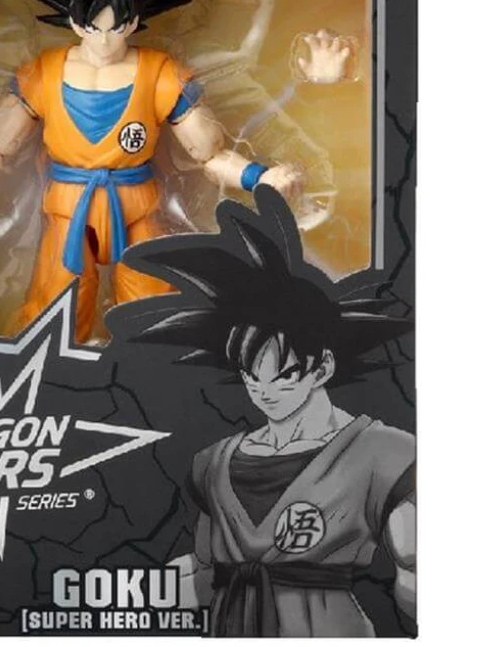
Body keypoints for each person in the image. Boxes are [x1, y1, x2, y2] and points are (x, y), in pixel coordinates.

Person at [0, 0, 305, 342]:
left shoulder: (159, 72)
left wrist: (260, 177)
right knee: (53, 313)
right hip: (68, 211)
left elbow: (208, 153)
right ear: (75, 22)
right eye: (93, 27)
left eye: (116, 27)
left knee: (155, 314)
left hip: (136, 208)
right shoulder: (44, 73)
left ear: (133, 21)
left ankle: (151, 374)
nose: (104, 40)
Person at [124, 186, 415, 636]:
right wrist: (107, 595)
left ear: (322, 367)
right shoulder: (214, 463)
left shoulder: (381, 453)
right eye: (251, 376)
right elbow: (203, 575)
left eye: (284, 376)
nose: (265, 392)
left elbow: (414, 569)